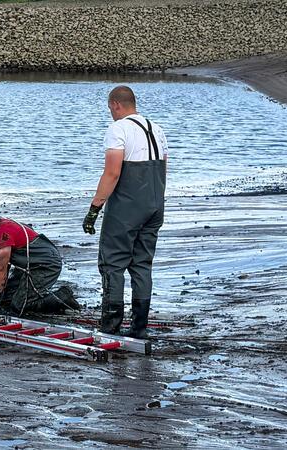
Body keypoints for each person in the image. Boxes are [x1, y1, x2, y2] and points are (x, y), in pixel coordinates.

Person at [83, 85, 168, 339]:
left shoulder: (118, 129)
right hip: (155, 205)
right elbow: (165, 168)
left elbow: (112, 173)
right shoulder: (157, 128)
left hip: (127, 207)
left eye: (110, 108)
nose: (110, 113)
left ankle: (111, 326)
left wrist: (94, 209)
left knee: (113, 263)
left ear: (115, 105)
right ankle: (139, 328)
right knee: (142, 264)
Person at [0, 198, 79, 316]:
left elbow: (1, 271)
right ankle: (38, 297)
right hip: (31, 263)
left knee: (19, 306)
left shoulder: (2, 234)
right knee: (6, 300)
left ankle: (63, 297)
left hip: (46, 264)